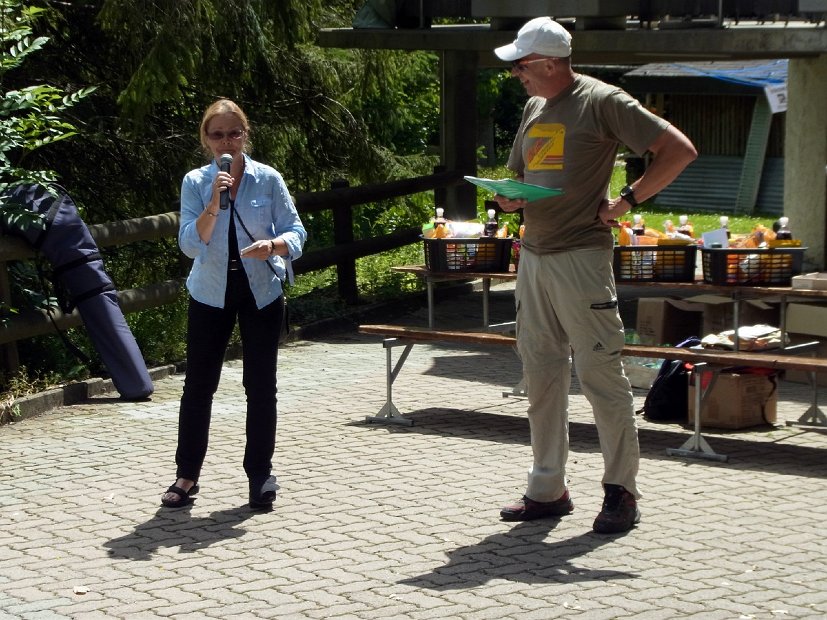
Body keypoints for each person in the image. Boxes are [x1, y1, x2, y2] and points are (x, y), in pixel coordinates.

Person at [491, 17, 698, 533]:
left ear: (549, 63)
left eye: (521, 65)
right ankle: (547, 490)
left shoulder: (602, 100)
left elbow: (678, 150)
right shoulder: (534, 107)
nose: (515, 74)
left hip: (582, 258)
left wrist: (626, 201)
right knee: (540, 376)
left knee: (601, 377)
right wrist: (509, 197)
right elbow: (522, 175)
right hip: (533, 256)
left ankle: (621, 491)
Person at [161, 99, 306, 511]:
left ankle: (260, 475)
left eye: (234, 133)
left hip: (260, 290)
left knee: (260, 387)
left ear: (245, 134)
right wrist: (213, 202)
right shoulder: (196, 182)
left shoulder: (268, 179)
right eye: (218, 134)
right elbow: (190, 244)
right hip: (210, 292)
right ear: (206, 139)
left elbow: (296, 231)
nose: (227, 142)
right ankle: (187, 475)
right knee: (198, 386)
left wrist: (274, 245)